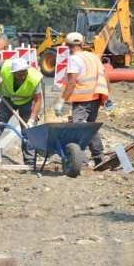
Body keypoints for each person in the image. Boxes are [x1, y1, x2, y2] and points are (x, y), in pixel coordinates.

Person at [52, 32, 110, 166]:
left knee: (79, 128)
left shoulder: (74, 59)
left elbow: (71, 83)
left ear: (67, 45)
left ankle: (81, 161)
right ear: (82, 44)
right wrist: (108, 96)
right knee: (89, 127)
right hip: (96, 97)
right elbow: (105, 76)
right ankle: (98, 157)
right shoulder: (93, 56)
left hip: (83, 99)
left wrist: (61, 101)